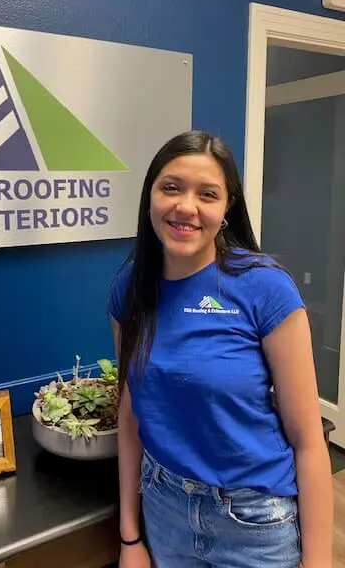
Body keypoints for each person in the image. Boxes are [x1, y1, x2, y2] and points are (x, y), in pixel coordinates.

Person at [108, 131, 333, 568]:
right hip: (165, 512)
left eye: (207, 194)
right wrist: (129, 537)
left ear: (227, 206)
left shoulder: (265, 288)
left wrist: (319, 561)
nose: (186, 206)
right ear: (150, 196)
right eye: (171, 187)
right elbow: (131, 413)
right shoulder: (130, 288)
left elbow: (308, 440)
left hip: (254, 522)